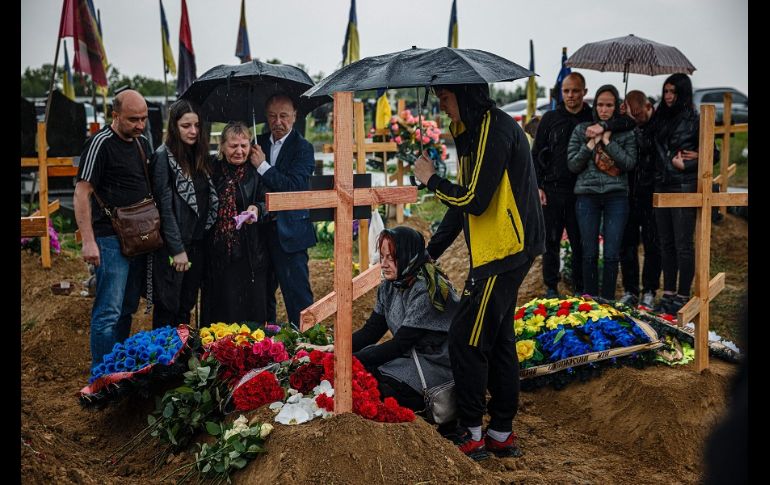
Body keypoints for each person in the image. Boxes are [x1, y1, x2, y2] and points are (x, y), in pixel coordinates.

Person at [413, 83, 545, 460]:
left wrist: (431, 180)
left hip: (506, 249)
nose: (441, 104)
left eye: (445, 97)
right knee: (499, 339)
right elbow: (462, 205)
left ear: (466, 96)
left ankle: (472, 433)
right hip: (497, 248)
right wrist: (430, 251)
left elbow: (474, 198)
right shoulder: (470, 130)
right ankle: (501, 433)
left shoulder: (495, 129)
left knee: (466, 338)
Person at [532, 73, 635, 299]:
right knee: (550, 241)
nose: (570, 95)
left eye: (575, 91)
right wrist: (537, 187)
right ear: (562, 92)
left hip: (579, 192)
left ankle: (581, 289)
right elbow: (536, 153)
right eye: (567, 91)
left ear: (584, 92)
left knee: (581, 244)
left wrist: (616, 118)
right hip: (551, 190)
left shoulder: (593, 118)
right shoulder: (549, 118)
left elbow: (626, 123)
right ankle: (551, 287)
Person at [352, 226, 458, 436]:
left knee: (377, 385)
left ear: (408, 256)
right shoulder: (389, 287)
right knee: (365, 372)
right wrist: (337, 350)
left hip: (435, 365)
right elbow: (371, 331)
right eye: (382, 256)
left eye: (391, 257)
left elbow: (400, 343)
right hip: (410, 358)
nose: (383, 264)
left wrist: (354, 360)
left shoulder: (426, 290)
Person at [73, 89, 152, 369]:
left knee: (127, 307)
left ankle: (117, 367)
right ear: (115, 115)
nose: (140, 125)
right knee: (108, 311)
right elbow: (82, 193)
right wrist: (88, 241)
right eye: (133, 119)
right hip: (109, 239)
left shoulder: (142, 143)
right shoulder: (100, 144)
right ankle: (101, 374)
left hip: (138, 238)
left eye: (143, 118)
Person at [150, 100, 218, 328]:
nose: (193, 131)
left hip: (198, 242)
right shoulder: (164, 157)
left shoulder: (198, 156)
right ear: (174, 126)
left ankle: (181, 359)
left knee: (185, 306)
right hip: (175, 247)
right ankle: (163, 362)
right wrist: (177, 249)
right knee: (168, 306)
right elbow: (164, 208)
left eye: (196, 125)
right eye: (186, 126)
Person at [567, 84, 637, 300]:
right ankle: (590, 301)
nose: (604, 109)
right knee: (588, 253)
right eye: (600, 104)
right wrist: (591, 144)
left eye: (609, 105)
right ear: (594, 105)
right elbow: (572, 165)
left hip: (616, 195)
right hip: (587, 195)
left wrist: (607, 141)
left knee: (611, 254)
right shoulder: (581, 130)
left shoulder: (625, 131)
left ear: (616, 107)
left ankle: (607, 302)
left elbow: (629, 163)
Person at [251, 93, 316, 325]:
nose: (278, 122)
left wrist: (263, 167)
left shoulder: (303, 148)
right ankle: (267, 346)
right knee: (261, 296)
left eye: (284, 116)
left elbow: (295, 187)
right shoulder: (256, 144)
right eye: (272, 116)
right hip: (259, 233)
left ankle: (306, 346)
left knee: (298, 297)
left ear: (295, 116)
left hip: (291, 233)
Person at [648, 73, 710, 314]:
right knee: (666, 243)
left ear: (683, 93)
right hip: (662, 184)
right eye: (665, 91)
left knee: (683, 243)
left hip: (683, 184)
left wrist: (692, 163)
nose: (668, 96)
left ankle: (684, 294)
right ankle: (669, 292)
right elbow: (648, 144)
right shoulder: (660, 115)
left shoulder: (694, 119)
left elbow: (711, 155)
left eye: (673, 92)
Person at [201, 122, 269, 325]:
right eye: (233, 146)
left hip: (249, 250)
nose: (239, 151)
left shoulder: (256, 171)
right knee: (220, 307)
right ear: (222, 146)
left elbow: (267, 199)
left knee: (248, 309)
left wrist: (257, 208)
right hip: (218, 250)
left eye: (244, 145)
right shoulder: (210, 169)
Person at [617, 91, 661, 309]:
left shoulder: (658, 124)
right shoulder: (625, 123)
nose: (636, 117)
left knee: (653, 244)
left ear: (647, 106)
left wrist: (632, 125)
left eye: (638, 113)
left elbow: (646, 148)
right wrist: (625, 121)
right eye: (631, 114)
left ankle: (650, 290)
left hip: (652, 193)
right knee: (627, 244)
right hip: (629, 193)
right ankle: (630, 289)